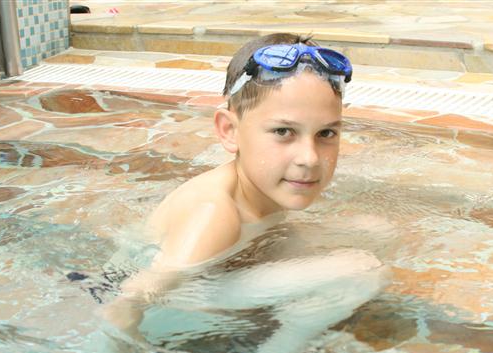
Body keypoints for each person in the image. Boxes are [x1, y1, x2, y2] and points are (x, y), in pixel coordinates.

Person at [102, 33, 362, 336]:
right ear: (229, 131)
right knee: (360, 269)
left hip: (205, 289)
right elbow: (128, 302)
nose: (310, 158)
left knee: (366, 232)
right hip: (160, 316)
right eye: (283, 131)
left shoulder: (260, 192)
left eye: (326, 134)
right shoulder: (214, 213)